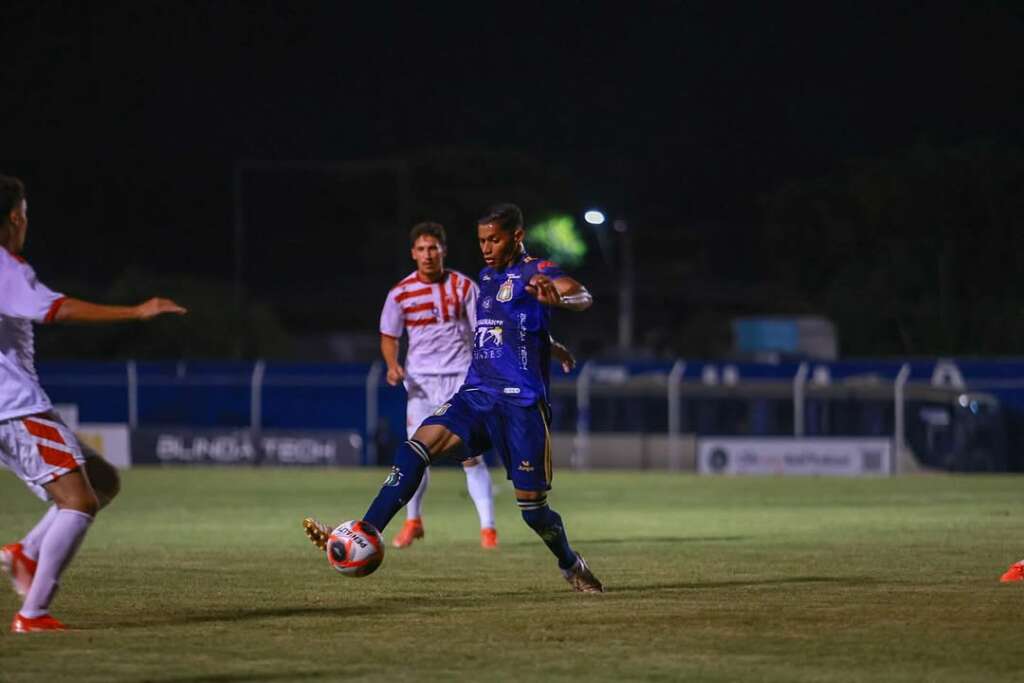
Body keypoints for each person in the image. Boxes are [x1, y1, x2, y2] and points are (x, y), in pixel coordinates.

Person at [306, 203, 603, 592]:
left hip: (521, 405)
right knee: (415, 448)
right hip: (477, 394)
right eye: (481, 240)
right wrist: (551, 343)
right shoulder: (486, 278)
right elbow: (502, 327)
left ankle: (569, 561)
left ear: (517, 236)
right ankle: (365, 529)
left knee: (533, 511)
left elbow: (581, 295)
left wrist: (560, 302)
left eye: (494, 239)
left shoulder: (535, 271)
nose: (486, 247)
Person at [0, 175, 187, 632]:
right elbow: (56, 309)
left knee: (102, 479)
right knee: (79, 501)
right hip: (15, 408)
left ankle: (25, 552)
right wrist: (135, 312)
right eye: (25, 213)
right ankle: (34, 612)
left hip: (13, 408)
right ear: (16, 217)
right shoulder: (6, 267)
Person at [379, 221, 498, 549]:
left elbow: (483, 331)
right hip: (420, 386)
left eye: (433, 248)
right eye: (421, 249)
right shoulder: (401, 293)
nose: (428, 254)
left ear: (443, 250)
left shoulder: (463, 287)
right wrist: (392, 365)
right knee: (415, 454)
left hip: (460, 381)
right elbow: (389, 336)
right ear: (413, 253)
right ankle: (413, 521)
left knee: (469, 457)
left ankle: (488, 529)